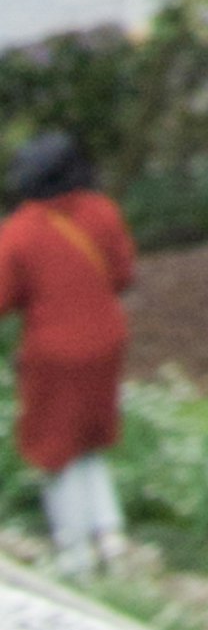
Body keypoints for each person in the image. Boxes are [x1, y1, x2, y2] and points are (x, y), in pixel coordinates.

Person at [2, 125, 136, 567]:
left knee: (54, 446)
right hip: (108, 342)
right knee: (90, 439)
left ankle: (73, 550)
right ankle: (110, 535)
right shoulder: (102, 212)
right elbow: (122, 276)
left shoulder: (20, 231)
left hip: (54, 352)